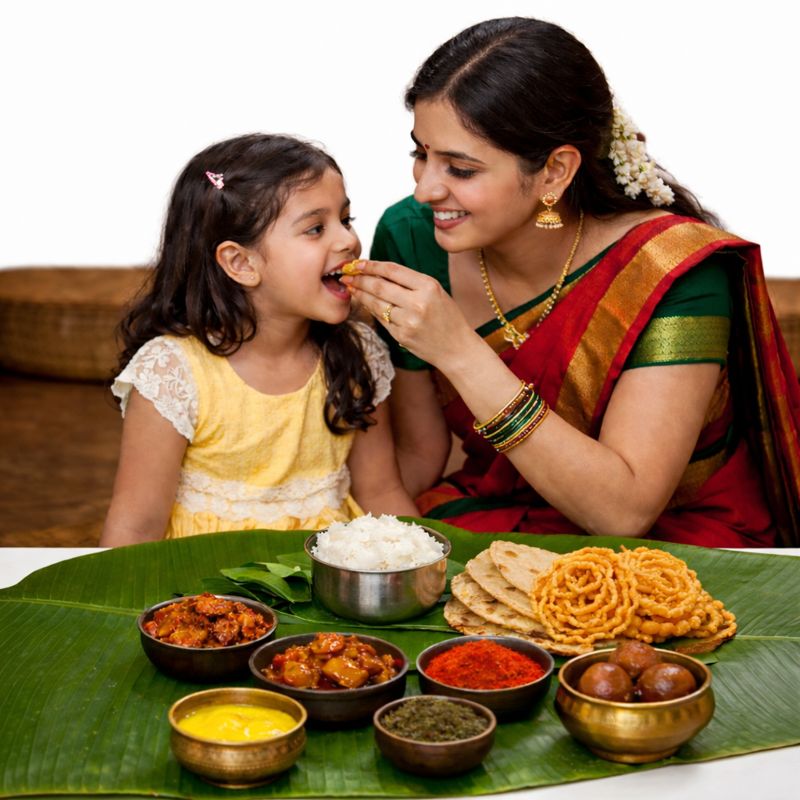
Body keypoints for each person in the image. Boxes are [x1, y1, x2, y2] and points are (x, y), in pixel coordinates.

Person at [343, 17, 800, 548]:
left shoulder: (671, 271)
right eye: (420, 155)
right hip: (497, 514)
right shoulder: (412, 237)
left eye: (460, 170)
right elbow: (418, 456)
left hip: (671, 541)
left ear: (556, 171)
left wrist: (459, 352)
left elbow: (623, 513)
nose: (425, 190)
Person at [100, 134, 417, 546]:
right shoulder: (172, 373)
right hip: (207, 579)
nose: (347, 240)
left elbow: (381, 491)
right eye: (315, 228)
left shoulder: (358, 352)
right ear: (241, 262)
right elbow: (136, 527)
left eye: (346, 219)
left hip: (325, 575)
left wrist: (430, 567)